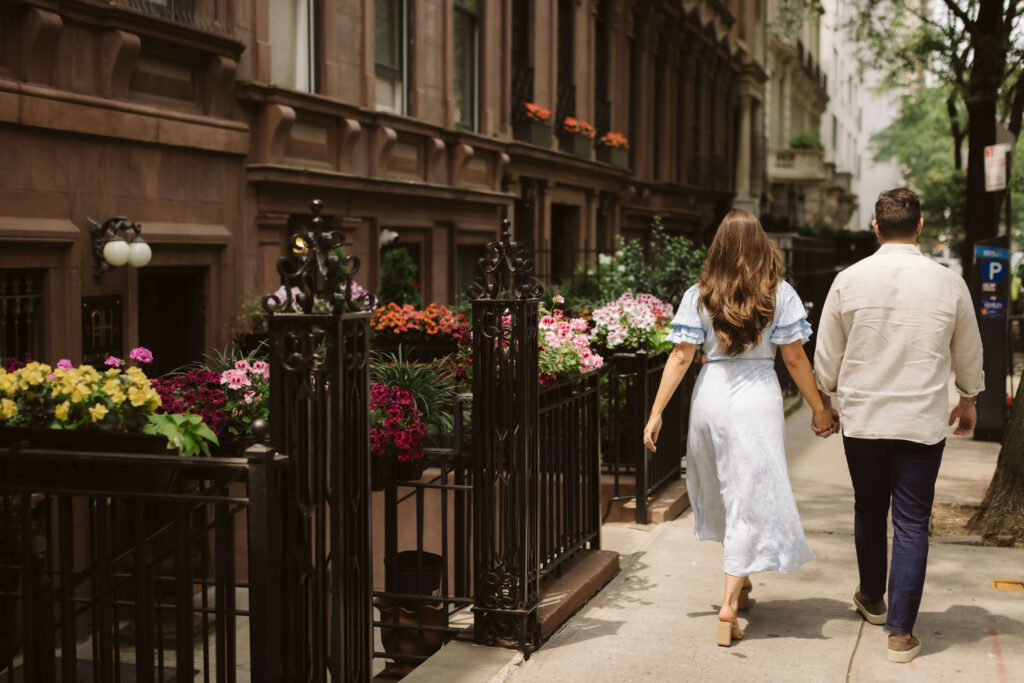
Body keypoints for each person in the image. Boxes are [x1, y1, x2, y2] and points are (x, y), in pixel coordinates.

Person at [643, 209, 837, 648]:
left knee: (727, 489)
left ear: (719, 247)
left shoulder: (700, 294)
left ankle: (742, 582)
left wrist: (656, 412)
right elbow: (793, 358)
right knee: (747, 492)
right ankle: (728, 605)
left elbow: (679, 357)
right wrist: (819, 407)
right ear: (761, 245)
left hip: (711, 393)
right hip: (755, 396)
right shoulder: (780, 293)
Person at [813, 188, 984, 664]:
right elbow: (968, 349)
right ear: (921, 226)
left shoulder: (848, 280)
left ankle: (871, 597)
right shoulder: (948, 283)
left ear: (876, 227)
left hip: (864, 418)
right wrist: (968, 398)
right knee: (912, 522)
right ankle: (901, 634)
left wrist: (823, 399)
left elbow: (827, 353)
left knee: (869, 508)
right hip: (920, 421)